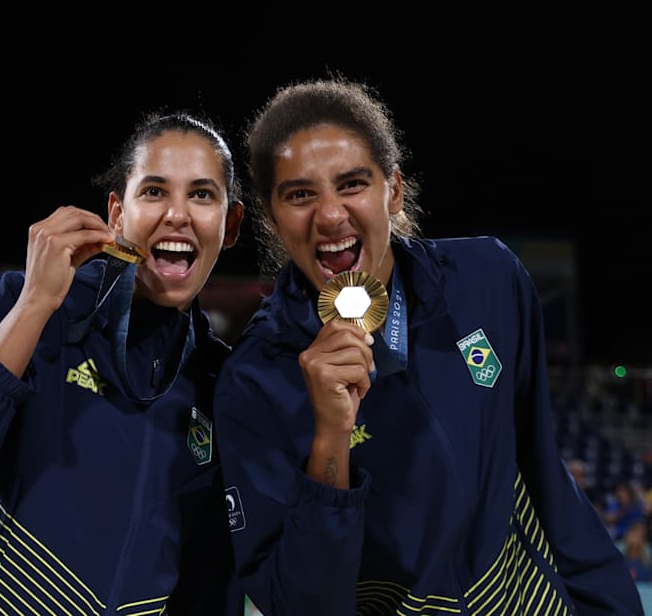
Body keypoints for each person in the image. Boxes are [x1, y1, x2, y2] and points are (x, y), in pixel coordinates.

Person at [211, 76, 642, 614]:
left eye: (352, 184)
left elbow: (545, 476)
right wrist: (330, 437)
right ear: (273, 218)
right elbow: (301, 603)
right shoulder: (254, 383)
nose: (330, 215)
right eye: (301, 194)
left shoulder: (489, 280)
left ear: (392, 190)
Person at [0, 111, 246, 614]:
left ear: (230, 225)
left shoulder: (218, 384)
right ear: (117, 215)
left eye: (202, 195)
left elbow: (205, 589)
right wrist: (34, 305)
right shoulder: (26, 307)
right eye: (154, 191)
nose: (177, 214)